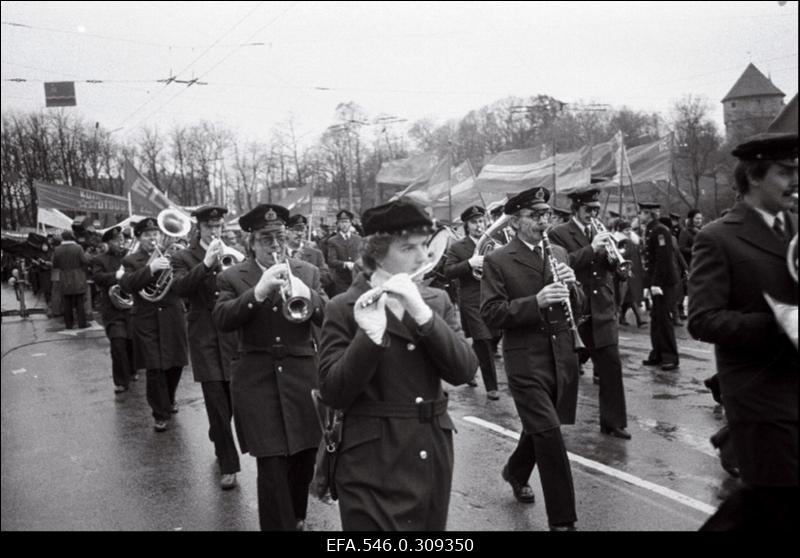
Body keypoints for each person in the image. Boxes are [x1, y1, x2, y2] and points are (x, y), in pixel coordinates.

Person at [318, 198, 477, 531]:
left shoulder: (435, 300)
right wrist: (369, 338)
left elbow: (464, 370)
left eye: (424, 246)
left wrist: (424, 317)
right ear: (376, 252)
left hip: (429, 451)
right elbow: (333, 392)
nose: (423, 257)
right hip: (370, 463)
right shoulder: (343, 307)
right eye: (409, 248)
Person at [688, 132, 798, 530]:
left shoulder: (797, 228)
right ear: (754, 176)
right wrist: (780, 323)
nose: (795, 181)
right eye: (785, 172)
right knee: (776, 500)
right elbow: (702, 319)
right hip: (760, 398)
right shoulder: (718, 237)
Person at [213, 204, 325, 531]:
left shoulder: (307, 271)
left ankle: (297, 517)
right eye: (266, 239)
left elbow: (329, 317)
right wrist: (257, 292)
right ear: (252, 242)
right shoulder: (232, 276)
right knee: (273, 465)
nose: (274, 245)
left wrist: (310, 297)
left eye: (279, 237)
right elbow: (221, 319)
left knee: (303, 460)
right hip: (257, 378)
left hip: (302, 377)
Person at [480, 186, 583, 531]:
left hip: (560, 354)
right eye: (535, 216)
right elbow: (491, 314)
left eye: (546, 216)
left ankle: (515, 470)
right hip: (525, 359)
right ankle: (563, 520)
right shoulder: (498, 260)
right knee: (551, 434)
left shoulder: (559, 253)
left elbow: (576, 309)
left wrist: (574, 288)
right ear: (515, 221)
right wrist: (535, 302)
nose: (543, 222)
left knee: (540, 427)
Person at [548, 189, 631, 439]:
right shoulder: (558, 233)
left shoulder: (600, 231)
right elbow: (561, 264)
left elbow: (614, 271)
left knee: (611, 367)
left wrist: (617, 262)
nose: (593, 214)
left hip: (603, 309)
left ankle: (613, 422)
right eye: (588, 210)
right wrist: (593, 249)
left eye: (596, 210)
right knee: (566, 369)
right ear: (576, 209)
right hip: (577, 311)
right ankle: (554, 421)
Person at [171, 206, 241, 490]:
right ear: (199, 228)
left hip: (232, 338)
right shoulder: (182, 257)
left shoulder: (233, 253)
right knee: (216, 402)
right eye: (210, 227)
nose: (215, 232)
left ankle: (217, 433)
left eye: (219, 227)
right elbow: (179, 288)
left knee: (232, 402)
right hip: (204, 339)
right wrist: (206, 264)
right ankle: (228, 465)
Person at [120, 217, 188, 432]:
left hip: (173, 317)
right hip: (147, 319)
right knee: (155, 367)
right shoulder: (131, 260)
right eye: (148, 234)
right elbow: (128, 285)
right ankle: (160, 413)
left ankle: (169, 398)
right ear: (139, 237)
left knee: (175, 363)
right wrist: (150, 269)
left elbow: (182, 283)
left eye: (155, 234)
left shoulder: (175, 255)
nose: (153, 238)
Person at [443, 205, 500, 400]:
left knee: (490, 338)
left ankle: (467, 366)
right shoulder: (458, 247)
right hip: (472, 299)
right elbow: (448, 271)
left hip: (493, 297)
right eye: (474, 222)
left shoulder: (494, 243)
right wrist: (469, 263)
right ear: (467, 225)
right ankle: (492, 387)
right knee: (483, 339)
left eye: (481, 221)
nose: (479, 225)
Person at [90, 226, 136, 394]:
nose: (121, 244)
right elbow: (97, 278)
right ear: (108, 243)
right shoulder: (99, 259)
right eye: (117, 241)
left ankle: (132, 370)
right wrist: (115, 276)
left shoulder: (129, 257)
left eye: (122, 241)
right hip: (112, 308)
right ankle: (121, 381)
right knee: (118, 343)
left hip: (131, 307)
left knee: (131, 342)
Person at [639, 202, 680, 371]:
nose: (639, 216)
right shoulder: (650, 230)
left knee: (663, 319)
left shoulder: (660, 230)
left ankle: (670, 356)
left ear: (649, 214)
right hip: (656, 281)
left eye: (642, 213)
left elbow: (663, 259)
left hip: (664, 283)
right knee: (656, 319)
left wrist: (656, 283)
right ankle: (657, 353)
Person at [52, 230, 91, 330]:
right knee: (79, 301)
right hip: (77, 276)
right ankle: (82, 323)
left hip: (64, 276)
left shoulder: (57, 249)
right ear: (72, 237)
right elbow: (84, 261)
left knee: (67, 302)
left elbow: (55, 264)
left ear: (63, 238)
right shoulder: (78, 248)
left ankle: (69, 324)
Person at [287, 214, 332, 292]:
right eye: (295, 230)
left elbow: (327, 279)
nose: (299, 233)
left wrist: (305, 269)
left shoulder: (316, 253)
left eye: (302, 230)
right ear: (286, 231)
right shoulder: (279, 254)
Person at [615, 220, 647, 328]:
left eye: (630, 229)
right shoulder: (621, 241)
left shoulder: (632, 240)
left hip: (635, 270)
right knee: (631, 295)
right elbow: (621, 255)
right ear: (621, 231)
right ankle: (640, 320)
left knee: (628, 297)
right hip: (626, 271)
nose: (628, 232)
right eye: (626, 230)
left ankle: (622, 317)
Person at [326, 209, 362, 295]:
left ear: (350, 223)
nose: (344, 225)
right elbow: (331, 261)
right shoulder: (333, 240)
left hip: (356, 278)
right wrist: (345, 264)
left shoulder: (358, 239)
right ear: (338, 224)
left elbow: (362, 256)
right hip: (340, 280)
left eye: (346, 222)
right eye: (341, 222)